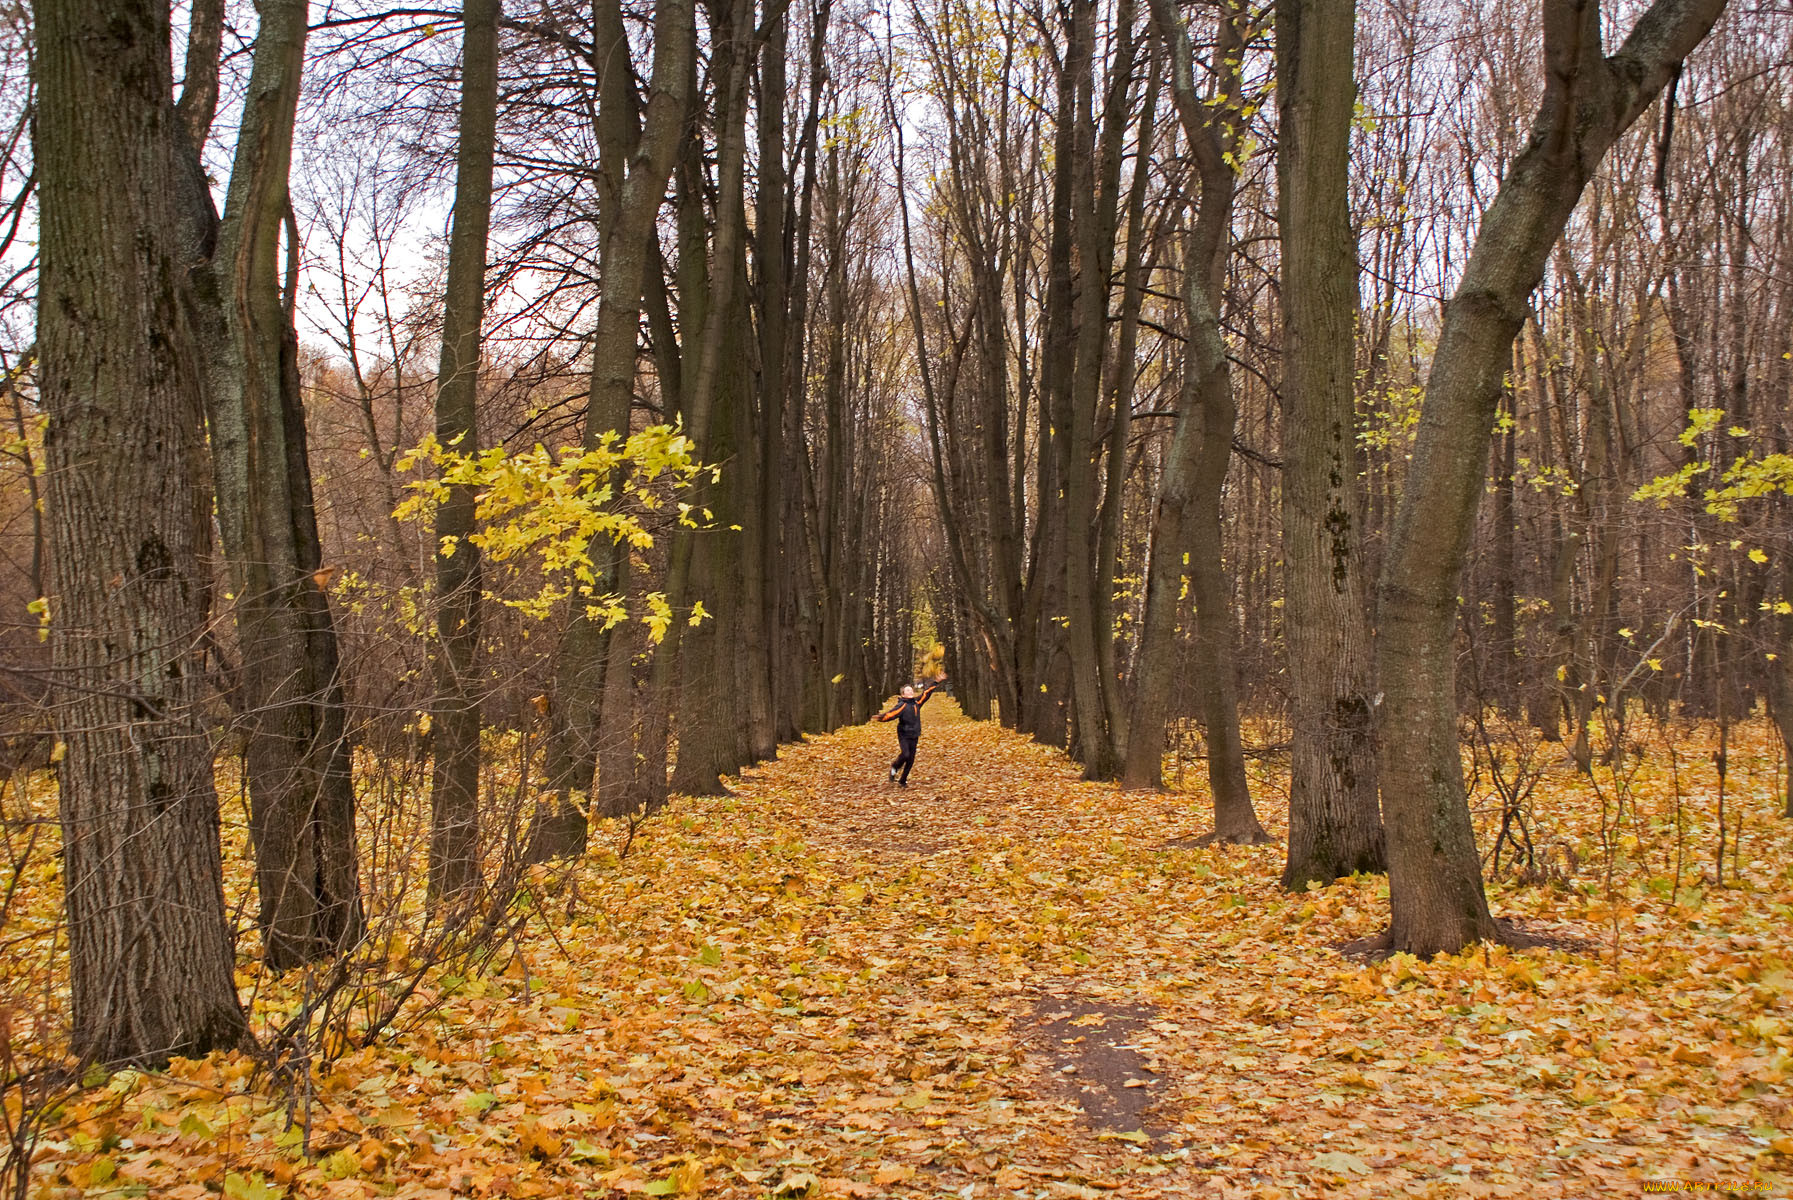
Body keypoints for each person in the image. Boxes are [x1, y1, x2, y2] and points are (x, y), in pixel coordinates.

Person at [877, 673, 947, 787]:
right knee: (905, 754)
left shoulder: (916, 703)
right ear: (903, 694)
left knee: (911, 759)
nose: (910, 692)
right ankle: (894, 768)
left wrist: (936, 682)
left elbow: (926, 693)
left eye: (911, 690)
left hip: (915, 734)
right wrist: (880, 718)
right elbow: (891, 714)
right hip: (904, 734)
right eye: (908, 691)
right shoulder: (902, 705)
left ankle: (902, 781)